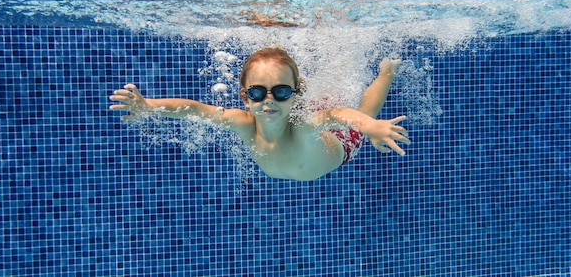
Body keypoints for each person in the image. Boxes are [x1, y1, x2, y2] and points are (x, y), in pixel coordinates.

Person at [109, 47, 409, 181]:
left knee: (362, 112)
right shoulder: (244, 124)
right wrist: (149, 106)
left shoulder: (302, 126)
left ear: (294, 95)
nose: (268, 101)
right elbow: (196, 110)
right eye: (256, 93)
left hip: (338, 146)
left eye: (280, 92)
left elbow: (337, 115)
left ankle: (386, 72)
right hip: (311, 151)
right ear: (245, 97)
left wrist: (371, 127)